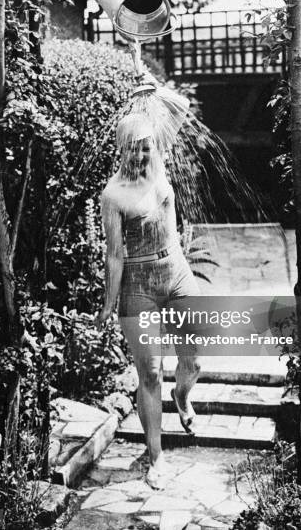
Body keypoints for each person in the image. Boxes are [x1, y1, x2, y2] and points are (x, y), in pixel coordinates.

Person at [96, 107, 201, 490]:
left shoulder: (160, 166)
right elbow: (114, 254)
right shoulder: (113, 194)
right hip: (138, 286)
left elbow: (170, 110)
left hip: (176, 274)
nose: (140, 155)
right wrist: (109, 302)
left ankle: (183, 395)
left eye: (145, 148)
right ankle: (155, 458)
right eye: (133, 149)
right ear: (120, 149)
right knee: (150, 373)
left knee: (194, 358)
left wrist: (145, 79)